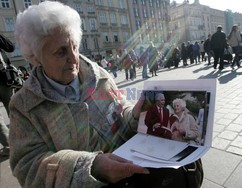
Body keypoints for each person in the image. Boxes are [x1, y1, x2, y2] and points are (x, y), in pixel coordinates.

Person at [10, 2, 149, 187]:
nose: (73, 58)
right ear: (35, 58)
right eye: (61, 52)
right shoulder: (24, 105)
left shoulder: (99, 75)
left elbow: (120, 111)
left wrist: (135, 115)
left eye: (74, 46)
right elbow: (27, 167)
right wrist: (92, 167)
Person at [0, 34, 15, 156]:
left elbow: (11, 47)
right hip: (5, 79)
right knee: (14, 111)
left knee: (14, 111)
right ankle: (24, 142)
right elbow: (10, 47)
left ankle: (10, 145)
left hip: (5, 79)